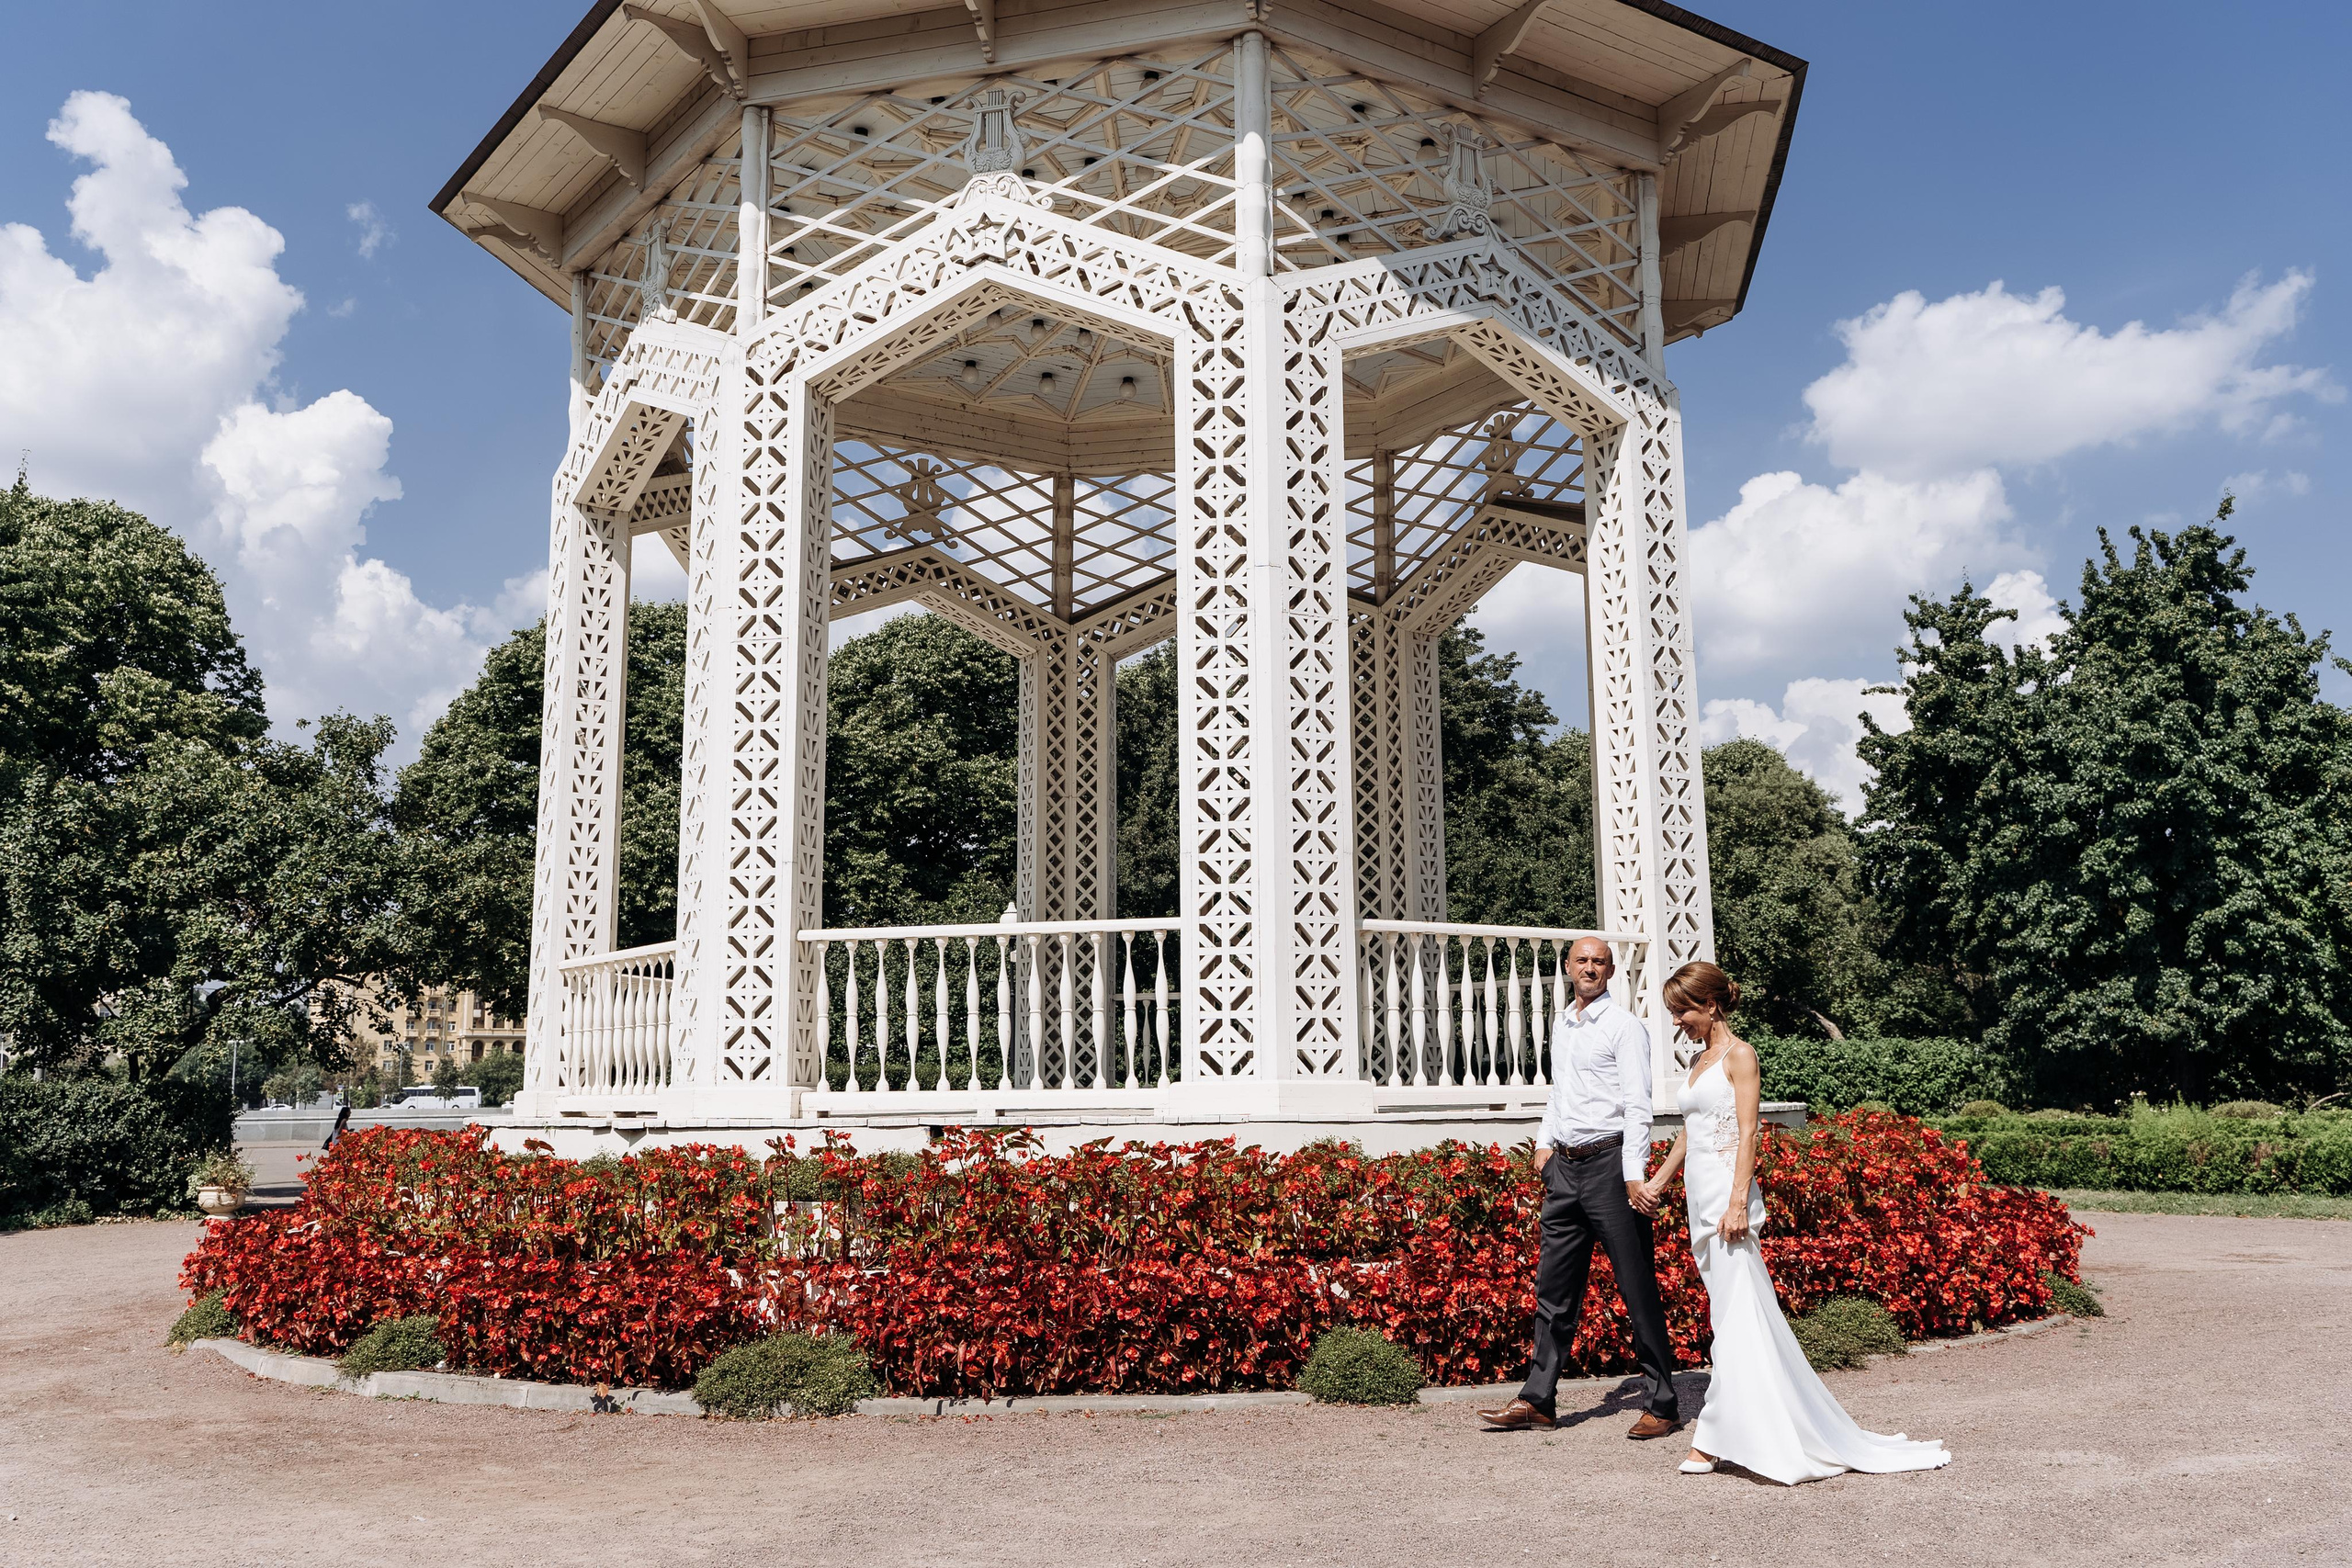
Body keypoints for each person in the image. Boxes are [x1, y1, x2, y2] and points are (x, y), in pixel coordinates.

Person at [1640, 960, 1952, 1484]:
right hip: (1699, 1199)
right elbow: (1689, 1132)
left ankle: (1713, 1438)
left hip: (1728, 1202)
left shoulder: (1741, 1056)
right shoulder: (1698, 1061)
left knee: (1736, 1320)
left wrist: (1738, 1201)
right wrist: (1658, 1183)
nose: (1677, 1021)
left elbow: (1749, 1134)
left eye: (1683, 1010)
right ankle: (1754, 1426)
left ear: (1711, 1005)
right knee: (1735, 1318)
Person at [1479, 936, 1683, 1439]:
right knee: (1553, 1292)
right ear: (1568, 967)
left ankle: (1662, 1401)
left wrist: (1634, 1173)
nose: (1590, 968)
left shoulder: (1624, 1027)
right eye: (1582, 961)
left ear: (1610, 970)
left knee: (1636, 1288)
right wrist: (1545, 1145)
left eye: (1599, 961)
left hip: (1612, 1169)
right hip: (1564, 1171)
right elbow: (1560, 1089)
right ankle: (1538, 1401)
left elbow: (1639, 1106)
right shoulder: (1565, 1023)